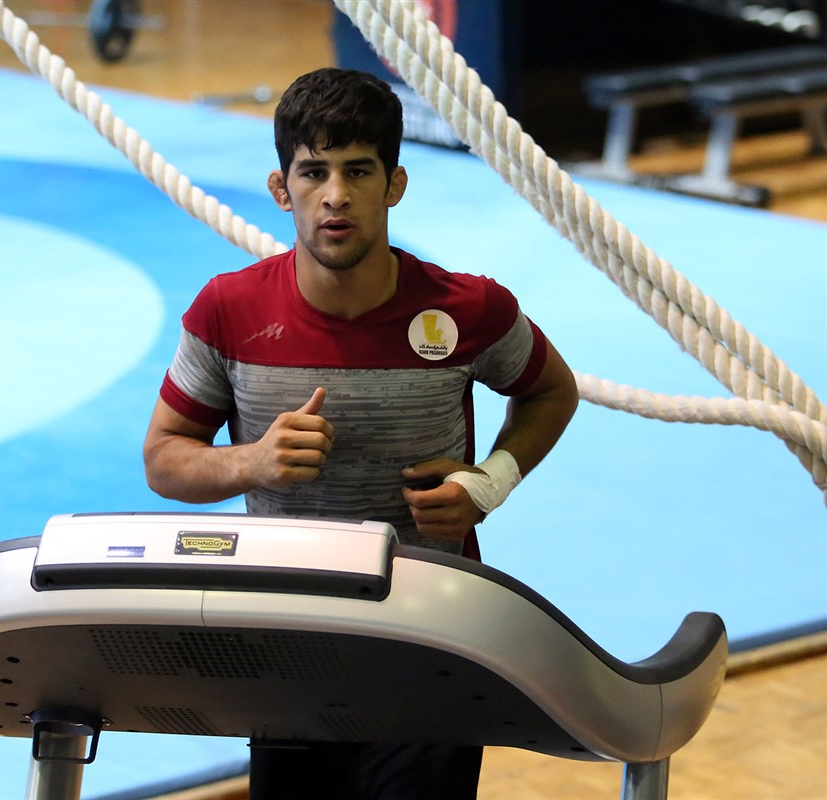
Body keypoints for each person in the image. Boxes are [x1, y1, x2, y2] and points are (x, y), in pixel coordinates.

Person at [142, 68, 579, 798]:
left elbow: (551, 391)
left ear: (394, 184)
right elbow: (163, 459)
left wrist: (490, 483)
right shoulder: (227, 310)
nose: (336, 195)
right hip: (288, 643)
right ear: (282, 189)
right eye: (314, 172)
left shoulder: (469, 309)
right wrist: (252, 463)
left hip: (436, 639)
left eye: (358, 171)